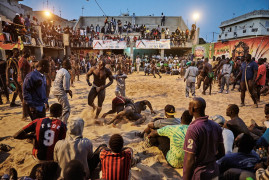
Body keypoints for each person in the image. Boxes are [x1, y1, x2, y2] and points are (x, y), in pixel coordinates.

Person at [183, 97, 225, 180]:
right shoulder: (216, 126)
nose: (188, 108)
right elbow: (221, 153)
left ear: (193, 109)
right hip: (214, 171)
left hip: (200, 174)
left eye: (189, 106)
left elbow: (190, 160)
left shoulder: (193, 129)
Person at [51, 60, 72, 124]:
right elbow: (66, 88)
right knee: (66, 108)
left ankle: (59, 121)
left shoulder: (60, 70)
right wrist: (69, 91)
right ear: (66, 65)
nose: (70, 65)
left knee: (62, 106)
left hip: (54, 90)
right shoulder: (66, 73)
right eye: (69, 64)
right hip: (60, 92)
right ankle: (63, 124)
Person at [18, 48, 31, 120]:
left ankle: (26, 114)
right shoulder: (22, 60)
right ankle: (24, 116)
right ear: (25, 52)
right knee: (25, 98)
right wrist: (23, 82)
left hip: (26, 80)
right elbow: (21, 71)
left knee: (27, 97)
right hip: (24, 81)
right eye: (28, 52)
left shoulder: (24, 59)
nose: (29, 53)